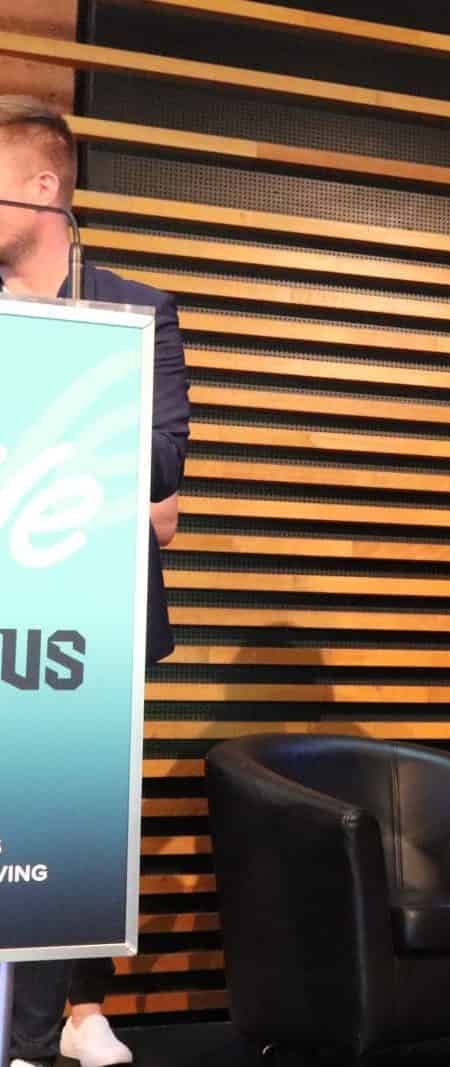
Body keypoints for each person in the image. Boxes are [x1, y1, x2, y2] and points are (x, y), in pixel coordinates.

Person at [0, 95, 190, 1067]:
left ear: (43, 188)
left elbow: (162, 458)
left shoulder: (133, 310)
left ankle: (48, 1030)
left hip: (85, 622)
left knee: (59, 825)